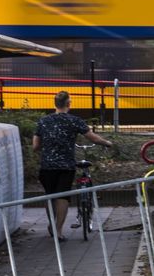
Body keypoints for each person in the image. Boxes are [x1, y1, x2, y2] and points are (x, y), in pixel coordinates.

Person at [33, 90, 113, 241]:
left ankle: (51, 225)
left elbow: (35, 146)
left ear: (55, 104)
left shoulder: (43, 121)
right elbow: (93, 138)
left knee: (50, 196)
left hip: (46, 166)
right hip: (66, 166)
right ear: (68, 104)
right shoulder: (74, 120)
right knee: (63, 196)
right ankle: (58, 231)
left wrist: (49, 145)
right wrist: (107, 143)